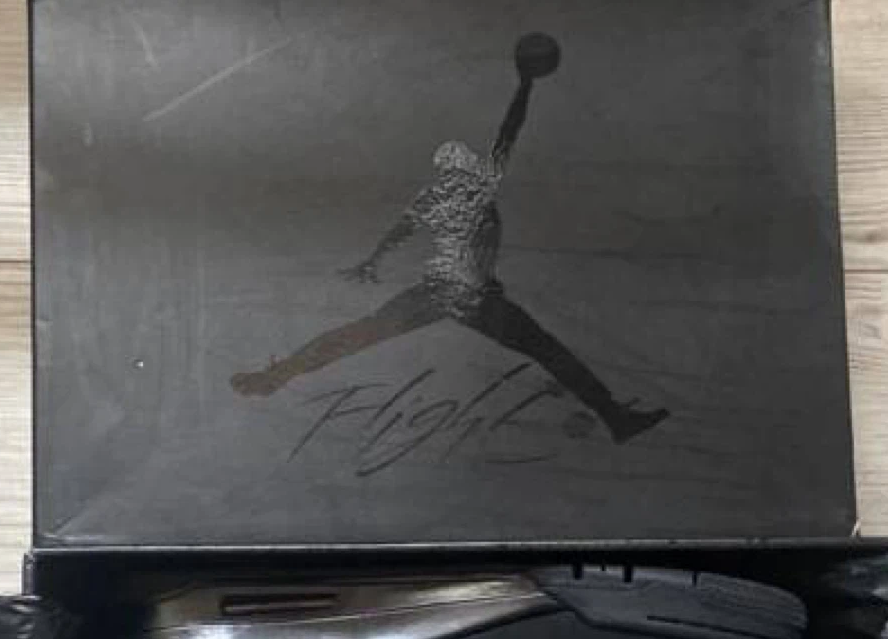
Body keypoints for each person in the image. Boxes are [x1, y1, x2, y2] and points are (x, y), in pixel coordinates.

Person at [231, 33, 668, 445]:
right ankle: (615, 418)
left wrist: (373, 261)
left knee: (359, 334)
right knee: (546, 350)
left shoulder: (436, 196)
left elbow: (400, 230)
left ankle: (274, 377)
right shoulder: (477, 188)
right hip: (471, 297)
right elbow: (508, 133)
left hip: (438, 291)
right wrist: (524, 86)